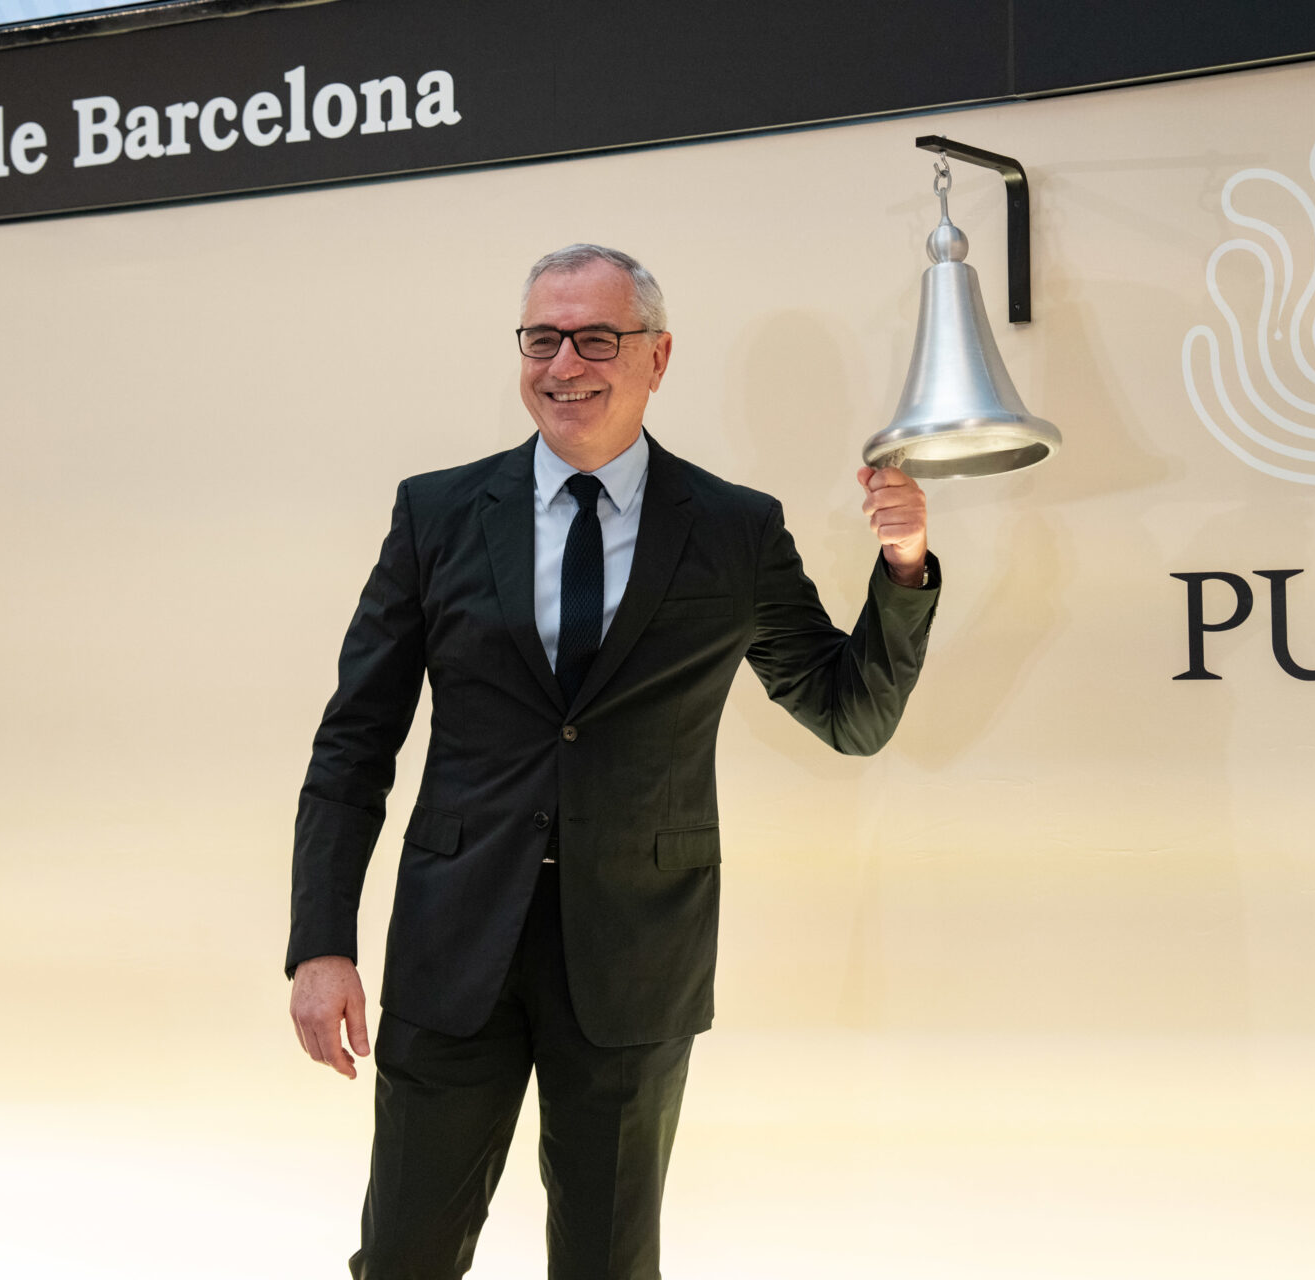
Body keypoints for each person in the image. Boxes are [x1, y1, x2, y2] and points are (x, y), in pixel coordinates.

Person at [285, 243, 939, 1279]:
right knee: (405, 1257)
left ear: (657, 357)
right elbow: (355, 740)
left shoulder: (734, 529)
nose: (564, 364)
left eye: (596, 338)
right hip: (455, 947)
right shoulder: (437, 514)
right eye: (542, 338)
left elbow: (849, 713)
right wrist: (320, 943)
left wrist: (902, 567)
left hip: (636, 959)